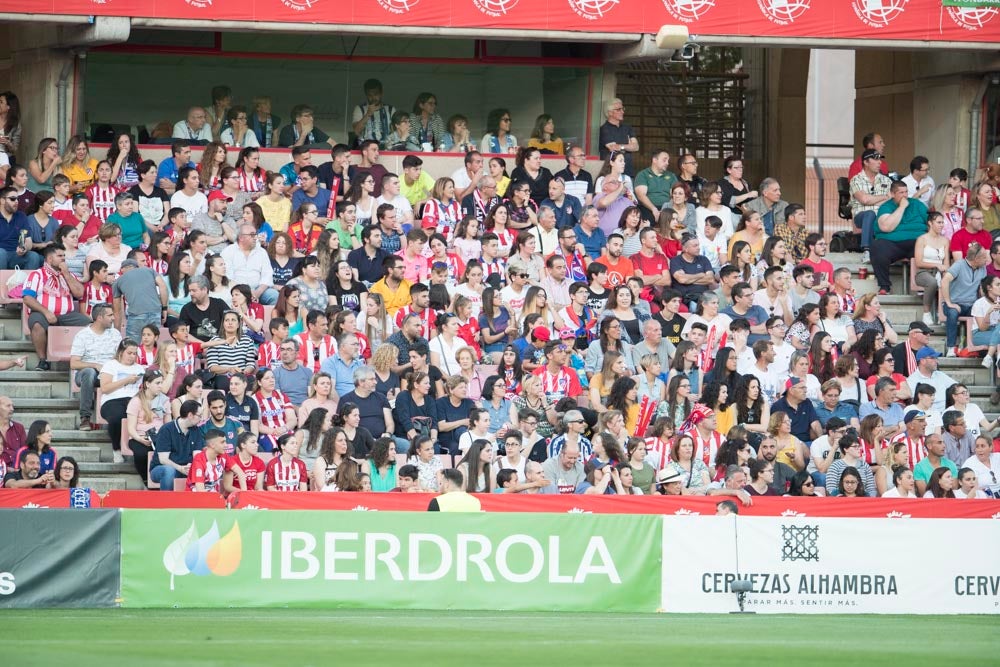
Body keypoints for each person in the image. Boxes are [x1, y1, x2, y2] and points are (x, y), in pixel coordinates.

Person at [23, 244, 89, 371]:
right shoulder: (37, 274)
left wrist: (66, 274)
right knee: (37, 324)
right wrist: (46, 312)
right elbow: (27, 298)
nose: (63, 258)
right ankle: (43, 360)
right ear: (49, 259)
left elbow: (80, 293)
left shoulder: (69, 275)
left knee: (89, 325)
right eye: (59, 256)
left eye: (64, 256)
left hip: (67, 315)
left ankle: (84, 359)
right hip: (42, 313)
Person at [942, 242, 989, 357]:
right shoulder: (959, 265)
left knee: (983, 313)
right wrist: (949, 302)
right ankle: (951, 347)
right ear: (976, 259)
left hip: (972, 304)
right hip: (955, 303)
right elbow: (945, 280)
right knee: (952, 313)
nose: (987, 260)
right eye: (984, 257)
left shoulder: (983, 268)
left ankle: (977, 347)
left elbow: (982, 289)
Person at [148, 400, 204, 491]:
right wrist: (180, 468)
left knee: (201, 469)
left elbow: (197, 455)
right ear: (190, 415)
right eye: (199, 416)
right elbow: (163, 459)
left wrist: (192, 466)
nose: (201, 419)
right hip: (161, 468)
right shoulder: (167, 429)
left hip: (186, 468)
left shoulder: (196, 430)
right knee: (169, 471)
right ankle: (167, 499)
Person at [598, 99, 638, 177]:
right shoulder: (604, 129)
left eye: (622, 109)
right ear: (610, 112)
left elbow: (636, 147)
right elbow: (613, 148)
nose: (622, 112)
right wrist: (628, 146)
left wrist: (621, 146)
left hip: (628, 171)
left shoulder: (627, 127)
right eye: (619, 109)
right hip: (611, 174)